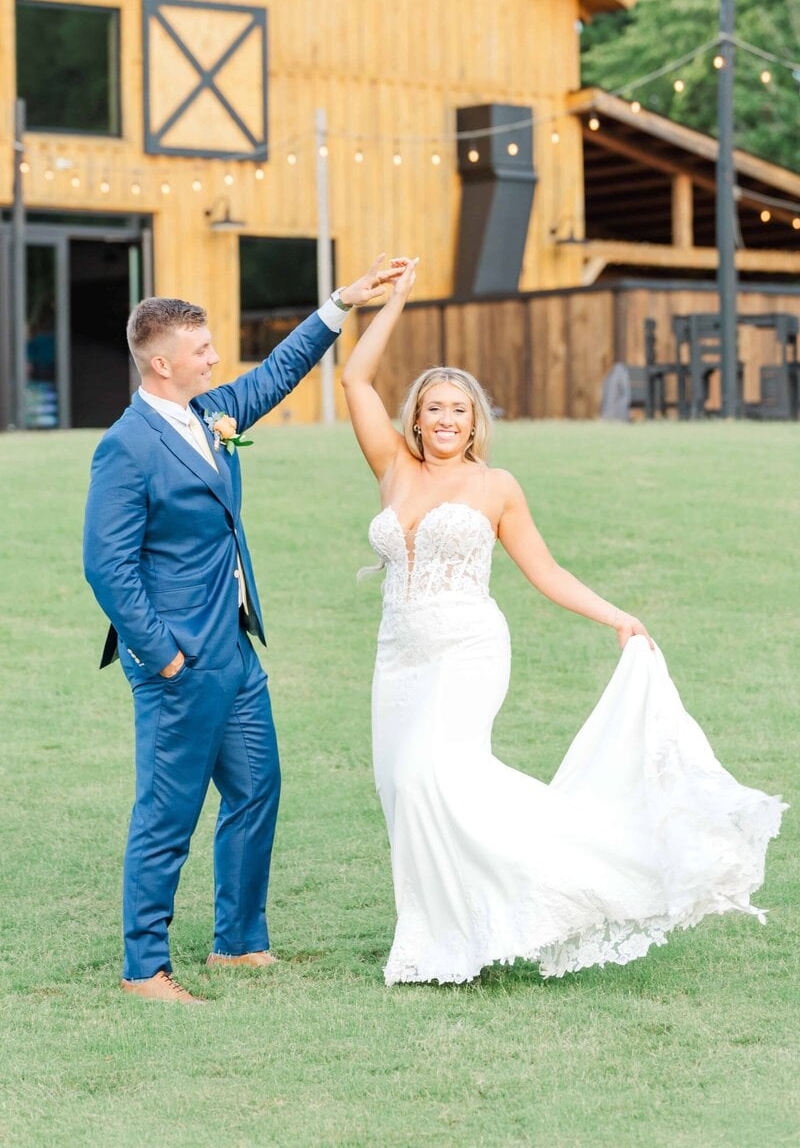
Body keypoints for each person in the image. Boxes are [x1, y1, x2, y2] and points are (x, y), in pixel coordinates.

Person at [341, 258, 786, 986]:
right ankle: (440, 940)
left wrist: (618, 617)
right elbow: (355, 381)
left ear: (474, 421)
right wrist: (390, 304)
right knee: (401, 792)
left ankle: (595, 872)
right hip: (398, 658)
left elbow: (543, 572)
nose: (446, 419)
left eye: (459, 409)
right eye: (434, 407)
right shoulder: (393, 467)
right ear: (415, 417)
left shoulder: (495, 486)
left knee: (429, 775)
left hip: (466, 652)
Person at [84, 254, 404, 1003]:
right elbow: (107, 565)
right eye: (201, 351)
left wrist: (341, 303)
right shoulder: (125, 446)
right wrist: (162, 655)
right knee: (167, 812)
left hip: (232, 644)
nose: (216, 359)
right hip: (179, 657)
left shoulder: (208, 413)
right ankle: (144, 969)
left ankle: (238, 943)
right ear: (162, 364)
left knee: (258, 787)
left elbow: (278, 372)